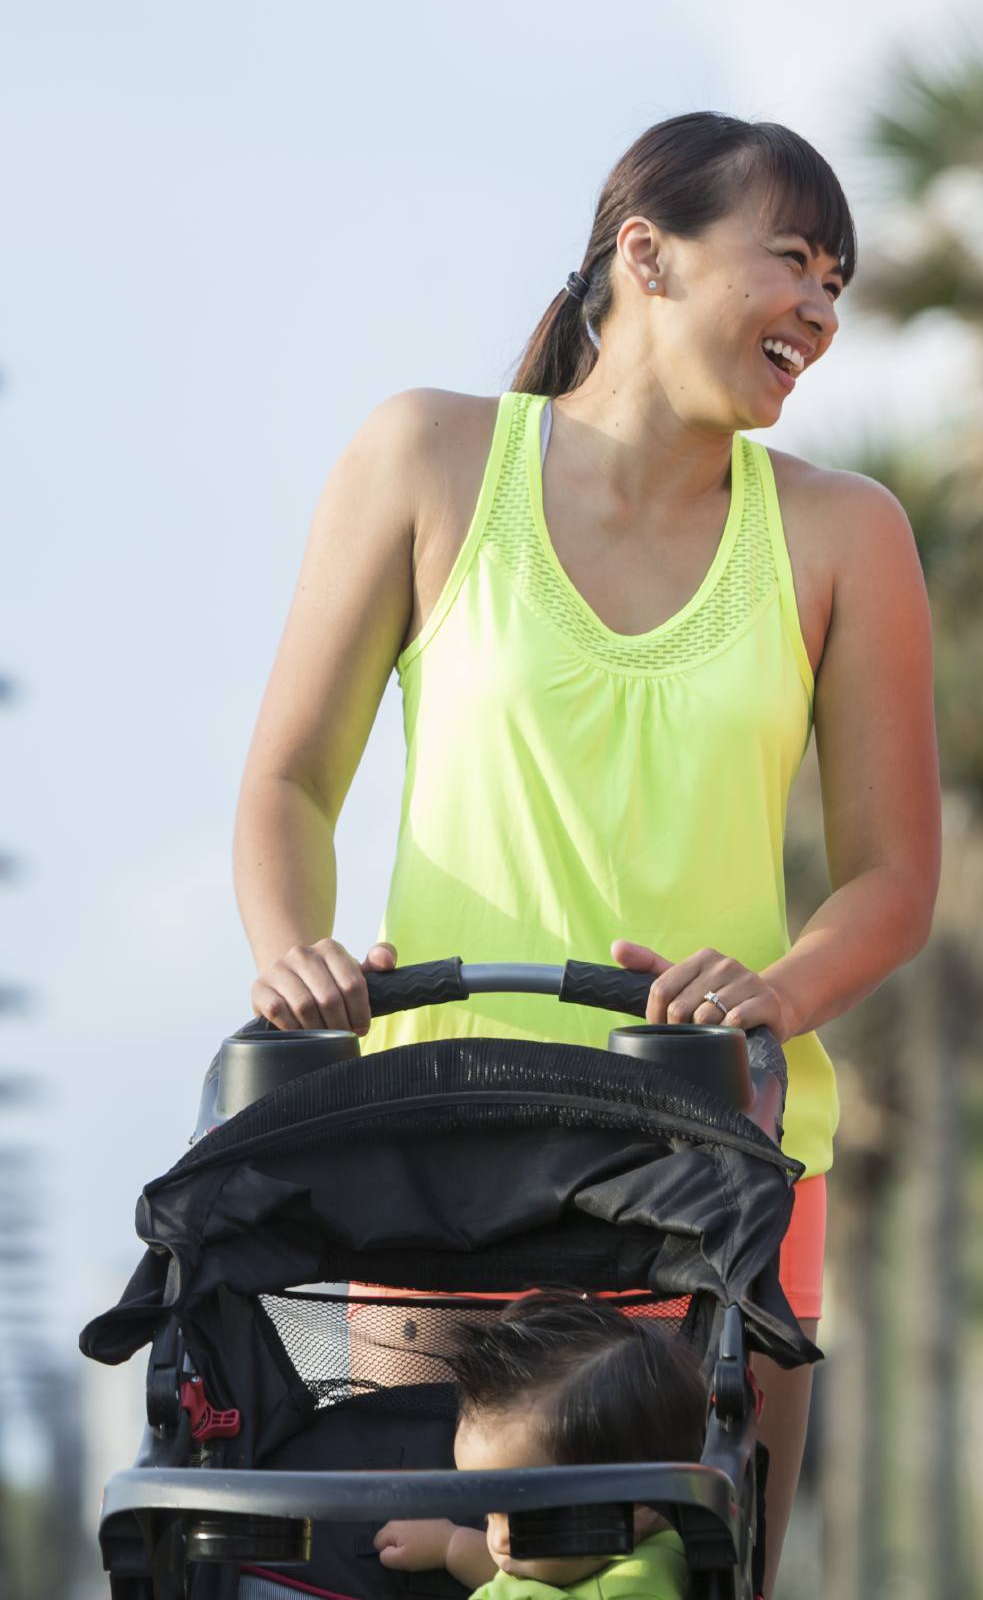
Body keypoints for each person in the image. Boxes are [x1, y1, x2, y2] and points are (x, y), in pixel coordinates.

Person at [232, 112, 941, 1591]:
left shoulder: (843, 532)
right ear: (649, 256)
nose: (821, 306)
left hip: (720, 1163)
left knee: (686, 1572)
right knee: (429, 1570)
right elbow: (291, 778)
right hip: (443, 1146)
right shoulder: (428, 455)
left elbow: (891, 875)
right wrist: (291, 946)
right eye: (792, 260)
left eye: (840, 282)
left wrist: (780, 992)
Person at [374, 1293, 705, 1600]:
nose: (498, 1540)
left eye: (525, 1518)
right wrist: (450, 1545)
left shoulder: (640, 1588)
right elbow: (525, 1578)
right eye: (490, 1513)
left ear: (638, 1504)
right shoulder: (578, 1558)